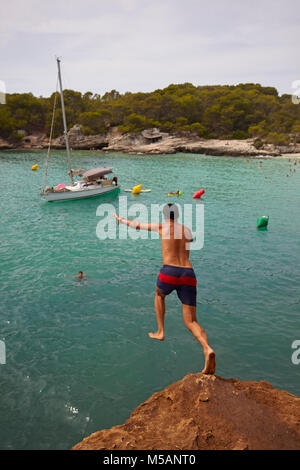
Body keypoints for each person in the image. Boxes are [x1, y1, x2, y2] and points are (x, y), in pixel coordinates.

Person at [112, 204, 216, 374]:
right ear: (178, 215)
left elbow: (137, 225)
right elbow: (188, 247)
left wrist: (120, 220)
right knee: (191, 321)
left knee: (159, 295)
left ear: (165, 216)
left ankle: (160, 331)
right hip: (188, 273)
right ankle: (207, 348)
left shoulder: (161, 227)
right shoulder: (187, 231)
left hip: (169, 270)